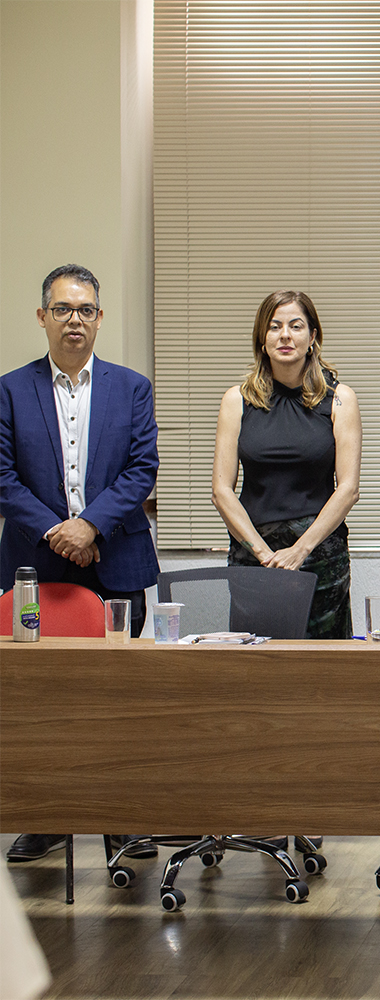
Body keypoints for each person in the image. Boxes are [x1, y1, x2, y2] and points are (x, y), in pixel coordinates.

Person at [0, 264, 160, 864]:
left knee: (120, 698)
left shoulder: (132, 387)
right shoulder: (10, 390)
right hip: (35, 567)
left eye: (86, 310)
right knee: (43, 704)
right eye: (64, 309)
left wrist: (90, 525)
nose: (76, 320)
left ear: (99, 317)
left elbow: (142, 469)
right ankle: (47, 820)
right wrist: (58, 532)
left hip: (115, 560)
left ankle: (121, 820)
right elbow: (2, 477)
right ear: (43, 316)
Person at [212, 290, 361, 639]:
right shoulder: (236, 400)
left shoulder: (340, 399)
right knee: (257, 664)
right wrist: (263, 554)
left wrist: (300, 550)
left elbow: (349, 489)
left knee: (324, 665)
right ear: (262, 339)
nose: (285, 335)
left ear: (312, 337)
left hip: (320, 558)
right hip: (253, 557)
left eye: (296, 326)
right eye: (275, 326)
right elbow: (221, 491)